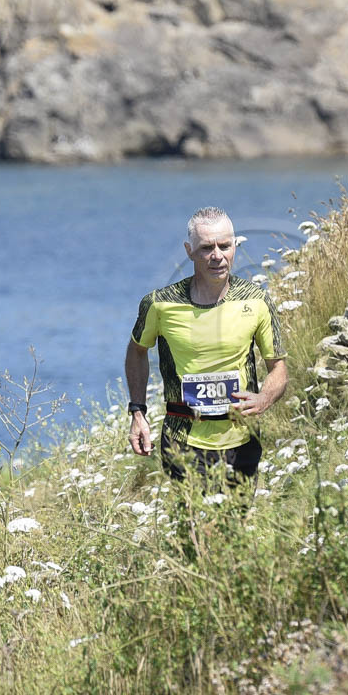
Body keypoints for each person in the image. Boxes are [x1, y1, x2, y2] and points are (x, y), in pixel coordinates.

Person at [125, 207, 288, 487]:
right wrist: (138, 412)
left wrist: (264, 399)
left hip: (241, 441)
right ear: (189, 251)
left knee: (237, 517)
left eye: (224, 246)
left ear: (234, 246)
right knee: (194, 517)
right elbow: (137, 351)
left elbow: (278, 368)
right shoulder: (160, 304)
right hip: (182, 440)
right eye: (206, 248)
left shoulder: (257, 300)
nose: (217, 256)